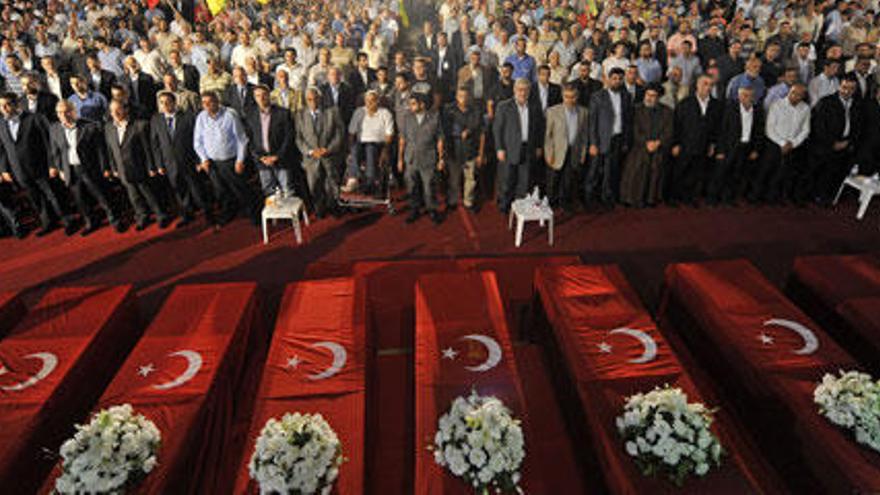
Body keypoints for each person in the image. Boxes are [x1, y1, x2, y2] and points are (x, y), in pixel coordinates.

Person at [0, 92, 75, 236]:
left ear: (16, 104)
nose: (3, 109)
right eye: (0, 106)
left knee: (54, 195)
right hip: (19, 170)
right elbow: (2, 149)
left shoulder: (34, 118)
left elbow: (49, 143)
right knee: (35, 198)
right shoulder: (1, 125)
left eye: (6, 105)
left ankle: (68, 220)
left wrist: (53, 164)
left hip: (41, 167)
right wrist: (4, 170)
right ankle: (48, 222)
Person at [50, 100, 121, 236]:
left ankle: (114, 220)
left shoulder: (90, 126)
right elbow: (55, 151)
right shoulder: (54, 129)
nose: (63, 115)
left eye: (67, 111)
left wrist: (105, 168)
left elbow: (101, 150)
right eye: (60, 113)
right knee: (80, 200)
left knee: (102, 196)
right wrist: (60, 169)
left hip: (90, 168)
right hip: (70, 170)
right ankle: (91, 222)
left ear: (74, 111)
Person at [151, 91, 215, 228]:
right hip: (170, 164)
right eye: (161, 102)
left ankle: (208, 213)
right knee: (180, 191)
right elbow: (155, 144)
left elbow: (197, 140)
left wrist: (199, 160)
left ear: (174, 103)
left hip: (189, 161)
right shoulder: (156, 120)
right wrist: (159, 164)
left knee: (197, 190)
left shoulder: (188, 117)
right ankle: (187, 215)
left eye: (168, 102)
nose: (165, 105)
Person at [104, 99, 170, 230]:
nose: (115, 113)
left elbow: (148, 148)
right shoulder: (108, 127)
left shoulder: (140, 125)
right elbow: (110, 149)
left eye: (118, 109)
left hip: (141, 168)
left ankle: (161, 215)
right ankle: (142, 216)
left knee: (150, 194)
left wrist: (152, 167)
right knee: (134, 197)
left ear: (125, 109)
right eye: (112, 110)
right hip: (123, 170)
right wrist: (113, 168)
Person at [193, 91, 256, 225]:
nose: (207, 105)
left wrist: (240, 160)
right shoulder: (201, 117)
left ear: (217, 101)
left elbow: (242, 139)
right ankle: (229, 212)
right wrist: (203, 159)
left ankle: (252, 213)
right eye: (204, 103)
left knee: (240, 189)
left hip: (231, 161)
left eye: (210, 102)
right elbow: (197, 142)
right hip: (212, 163)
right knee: (221, 191)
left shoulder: (230, 115)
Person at [805, 76, 861, 205]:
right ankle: (819, 195)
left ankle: (833, 195)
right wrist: (832, 144)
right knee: (824, 170)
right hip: (826, 144)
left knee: (840, 170)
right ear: (839, 87)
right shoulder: (826, 102)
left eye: (851, 89)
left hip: (846, 143)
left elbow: (859, 126)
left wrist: (848, 142)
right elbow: (818, 127)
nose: (847, 91)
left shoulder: (857, 104)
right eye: (844, 87)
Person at [752, 83, 810, 204]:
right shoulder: (777, 105)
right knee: (765, 172)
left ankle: (772, 197)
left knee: (783, 174)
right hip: (774, 143)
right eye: (794, 93)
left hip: (793, 146)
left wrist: (793, 144)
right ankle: (755, 197)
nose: (796, 96)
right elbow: (769, 128)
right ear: (789, 92)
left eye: (800, 95)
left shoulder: (805, 108)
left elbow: (806, 129)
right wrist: (783, 143)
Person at [669, 75, 723, 206]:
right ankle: (674, 197)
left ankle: (690, 198)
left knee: (697, 173)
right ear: (697, 85)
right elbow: (676, 125)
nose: (708, 87)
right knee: (680, 171)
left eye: (710, 85)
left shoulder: (716, 105)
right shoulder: (685, 103)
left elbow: (717, 127)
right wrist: (675, 143)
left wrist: (713, 144)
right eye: (705, 84)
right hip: (685, 144)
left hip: (704, 145)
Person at [492, 78, 543, 213]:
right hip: (509, 149)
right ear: (514, 90)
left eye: (526, 90)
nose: (523, 92)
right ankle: (505, 206)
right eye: (520, 89)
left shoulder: (535, 107)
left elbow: (539, 129)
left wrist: (538, 146)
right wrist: (499, 148)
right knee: (508, 180)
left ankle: (519, 207)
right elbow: (497, 129)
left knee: (524, 181)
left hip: (529, 148)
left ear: (529, 91)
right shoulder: (503, 106)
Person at [707, 86, 764, 205]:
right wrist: (720, 150)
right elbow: (721, 130)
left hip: (745, 147)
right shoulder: (729, 109)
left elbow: (759, 131)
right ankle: (712, 199)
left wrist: (755, 149)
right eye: (744, 95)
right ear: (739, 96)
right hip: (728, 148)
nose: (747, 98)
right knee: (720, 175)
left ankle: (728, 199)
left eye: (750, 95)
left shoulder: (757, 110)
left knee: (736, 175)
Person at [620, 83, 673, 207]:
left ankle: (650, 199)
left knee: (656, 169)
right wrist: (645, 143)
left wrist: (658, 143)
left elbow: (669, 131)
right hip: (639, 146)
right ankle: (632, 199)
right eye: (648, 95)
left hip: (658, 147)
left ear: (658, 97)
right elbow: (634, 129)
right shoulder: (636, 109)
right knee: (637, 169)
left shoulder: (667, 112)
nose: (650, 98)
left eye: (654, 96)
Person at [295, 87, 344, 218]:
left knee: (332, 183)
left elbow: (339, 134)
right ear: (306, 101)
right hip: (311, 158)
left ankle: (334, 207)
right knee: (314, 185)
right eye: (310, 99)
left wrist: (328, 149)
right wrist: (311, 151)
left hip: (329, 155)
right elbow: (298, 138)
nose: (313, 101)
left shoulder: (332, 112)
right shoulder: (300, 115)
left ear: (320, 98)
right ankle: (319, 209)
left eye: (315, 98)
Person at [587, 67, 632, 208]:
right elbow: (592, 122)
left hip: (617, 139)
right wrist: (593, 143)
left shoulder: (626, 96)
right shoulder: (597, 96)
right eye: (614, 79)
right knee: (594, 170)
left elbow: (628, 121)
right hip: (600, 140)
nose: (617, 82)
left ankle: (606, 197)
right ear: (608, 79)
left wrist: (625, 140)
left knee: (610, 170)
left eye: (620, 79)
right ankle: (589, 198)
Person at [398, 93, 444, 224]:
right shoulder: (407, 118)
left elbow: (440, 139)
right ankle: (414, 209)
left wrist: (441, 158)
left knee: (429, 187)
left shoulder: (434, 118)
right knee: (412, 186)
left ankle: (432, 210)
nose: (410, 106)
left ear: (422, 104)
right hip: (411, 158)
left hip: (428, 158)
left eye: (413, 103)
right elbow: (402, 139)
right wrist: (400, 159)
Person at [245, 85, 296, 200]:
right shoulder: (250, 115)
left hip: (281, 159)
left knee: (287, 189)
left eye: (264, 95)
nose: (261, 98)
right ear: (254, 98)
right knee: (268, 190)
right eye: (258, 96)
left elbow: (289, 137)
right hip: (262, 161)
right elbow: (249, 139)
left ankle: (290, 216)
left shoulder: (283, 113)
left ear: (269, 96)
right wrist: (260, 157)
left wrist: (277, 156)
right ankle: (275, 217)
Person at [544, 83, 589, 210]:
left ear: (577, 96)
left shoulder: (584, 112)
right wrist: (549, 154)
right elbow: (548, 136)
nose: (570, 100)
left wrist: (583, 154)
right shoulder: (552, 111)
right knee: (553, 180)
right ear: (562, 96)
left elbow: (584, 135)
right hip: (556, 152)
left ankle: (564, 203)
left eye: (573, 97)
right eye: (567, 97)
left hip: (574, 150)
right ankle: (550, 203)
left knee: (568, 180)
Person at [443, 87, 485, 211]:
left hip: (470, 150)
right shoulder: (449, 111)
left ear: (470, 97)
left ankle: (468, 201)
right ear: (456, 97)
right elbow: (444, 132)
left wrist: (481, 154)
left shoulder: (476, 111)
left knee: (470, 179)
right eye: (460, 96)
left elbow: (482, 133)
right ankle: (453, 200)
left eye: (466, 96)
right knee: (453, 179)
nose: (463, 98)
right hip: (453, 150)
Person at [344, 90, 395, 195]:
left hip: (378, 145)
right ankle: (354, 179)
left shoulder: (385, 113)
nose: (369, 103)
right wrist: (349, 151)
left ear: (378, 101)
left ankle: (370, 180)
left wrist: (385, 151)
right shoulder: (359, 112)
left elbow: (389, 135)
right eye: (367, 101)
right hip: (360, 144)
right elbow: (351, 133)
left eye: (372, 101)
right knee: (355, 147)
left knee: (370, 148)